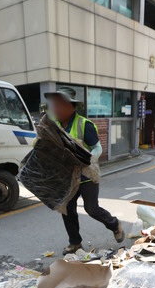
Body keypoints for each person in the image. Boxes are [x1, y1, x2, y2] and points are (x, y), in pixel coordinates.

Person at [44, 87, 124, 255]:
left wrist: (85, 159)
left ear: (70, 106)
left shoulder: (84, 125)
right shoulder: (54, 126)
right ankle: (75, 243)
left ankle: (114, 224)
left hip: (86, 175)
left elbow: (97, 148)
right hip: (67, 178)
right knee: (68, 210)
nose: (55, 109)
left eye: (59, 105)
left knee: (91, 209)